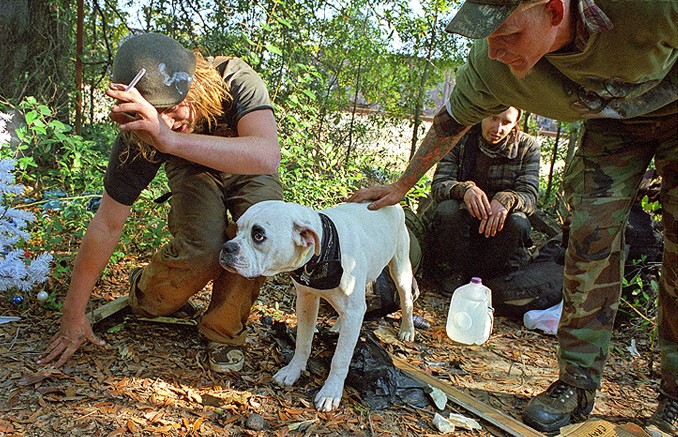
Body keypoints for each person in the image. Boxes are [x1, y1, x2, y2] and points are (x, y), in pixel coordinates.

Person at [350, 0, 676, 433]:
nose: (497, 49)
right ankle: (576, 385)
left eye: (509, 34)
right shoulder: (494, 64)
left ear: (555, 11)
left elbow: (527, 194)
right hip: (613, 124)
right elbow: (450, 121)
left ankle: (675, 397)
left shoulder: (647, 10)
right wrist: (402, 186)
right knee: (590, 239)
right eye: (489, 37)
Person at [39, 33, 283, 374]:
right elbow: (107, 223)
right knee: (202, 246)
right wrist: (72, 313)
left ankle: (223, 330)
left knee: (262, 228)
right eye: (155, 115)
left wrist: (168, 139)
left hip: (247, 160)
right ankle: (147, 295)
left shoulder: (233, 77)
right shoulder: (142, 132)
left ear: (194, 82)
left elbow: (267, 156)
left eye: (170, 109)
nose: (165, 122)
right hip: (190, 168)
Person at [423, 106, 540, 293]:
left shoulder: (527, 147)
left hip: (497, 232)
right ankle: (452, 273)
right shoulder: (461, 137)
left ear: (515, 124)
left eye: (506, 122)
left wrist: (507, 199)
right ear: (482, 116)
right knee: (447, 210)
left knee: (519, 222)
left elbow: (530, 196)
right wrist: (465, 189)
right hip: (460, 226)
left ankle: (487, 278)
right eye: (493, 118)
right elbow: (439, 185)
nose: (498, 128)